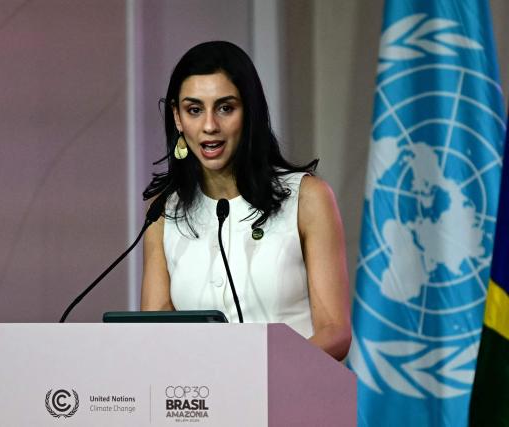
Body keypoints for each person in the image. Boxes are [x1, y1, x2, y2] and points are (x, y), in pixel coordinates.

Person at [140, 41, 351, 361]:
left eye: (225, 108)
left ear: (249, 111)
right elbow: (155, 332)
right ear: (177, 117)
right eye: (194, 110)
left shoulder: (307, 198)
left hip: (291, 397)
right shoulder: (165, 211)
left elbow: (335, 332)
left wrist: (260, 372)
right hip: (199, 404)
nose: (210, 125)